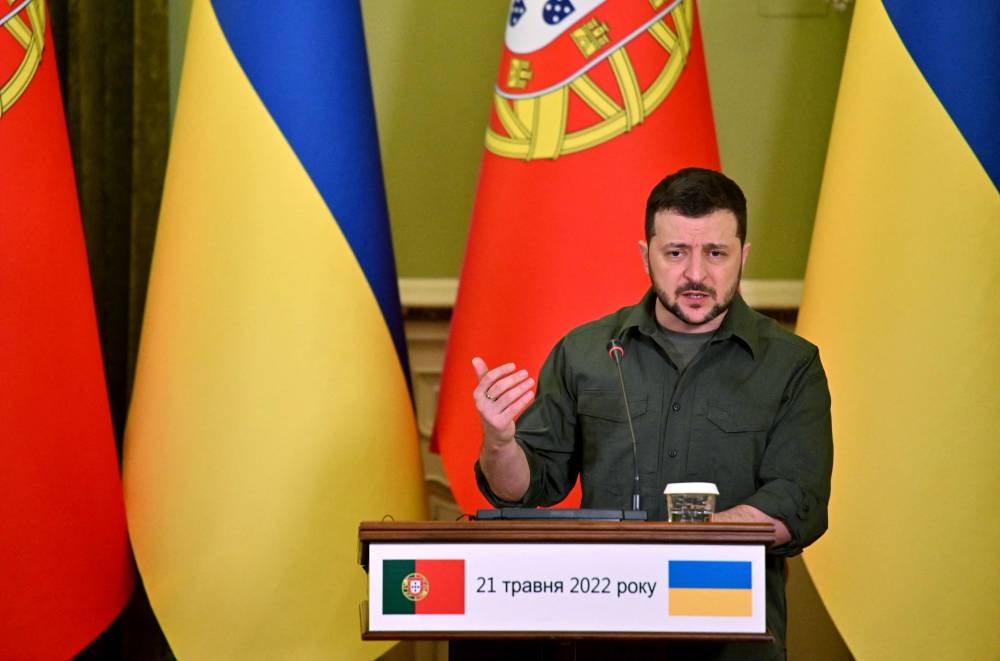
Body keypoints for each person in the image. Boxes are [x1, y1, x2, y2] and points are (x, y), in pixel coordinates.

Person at [471, 167, 833, 660]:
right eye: (676, 253)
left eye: (717, 254)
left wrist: (672, 552)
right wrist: (498, 441)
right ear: (646, 256)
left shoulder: (792, 365)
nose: (697, 276)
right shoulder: (584, 352)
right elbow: (527, 486)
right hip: (608, 639)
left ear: (743, 256)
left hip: (734, 641)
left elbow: (797, 502)